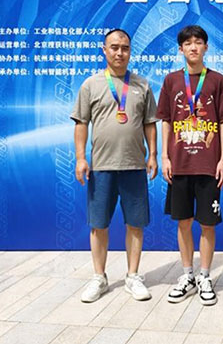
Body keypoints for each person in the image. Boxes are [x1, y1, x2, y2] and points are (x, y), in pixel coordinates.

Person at [71, 29, 158, 303]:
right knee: (99, 225)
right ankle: (99, 277)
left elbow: (150, 123)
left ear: (130, 51)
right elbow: (81, 123)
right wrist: (80, 158)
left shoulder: (142, 85)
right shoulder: (91, 84)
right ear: (104, 50)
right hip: (101, 167)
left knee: (135, 223)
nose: (120, 52)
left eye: (125, 48)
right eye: (114, 47)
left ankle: (133, 276)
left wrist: (153, 155)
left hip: (134, 165)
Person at [157, 25, 223, 306]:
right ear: (180, 49)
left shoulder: (217, 80)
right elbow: (166, 120)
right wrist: (164, 157)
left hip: (208, 164)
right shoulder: (171, 81)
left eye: (198, 42)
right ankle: (187, 274)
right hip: (179, 164)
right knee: (183, 222)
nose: (193, 47)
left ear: (206, 47)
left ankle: (204, 276)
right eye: (188, 43)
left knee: (208, 223)